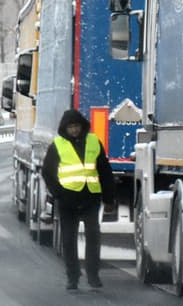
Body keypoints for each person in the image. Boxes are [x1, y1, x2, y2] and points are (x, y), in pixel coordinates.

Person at [42, 109, 116, 291]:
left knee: (93, 237)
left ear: (82, 126)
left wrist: (108, 198)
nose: (74, 130)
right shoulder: (57, 145)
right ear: (64, 128)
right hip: (67, 200)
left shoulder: (94, 141)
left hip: (90, 197)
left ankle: (93, 275)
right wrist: (57, 193)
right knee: (68, 240)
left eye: (76, 126)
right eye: (70, 127)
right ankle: (73, 277)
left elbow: (105, 172)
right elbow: (47, 172)